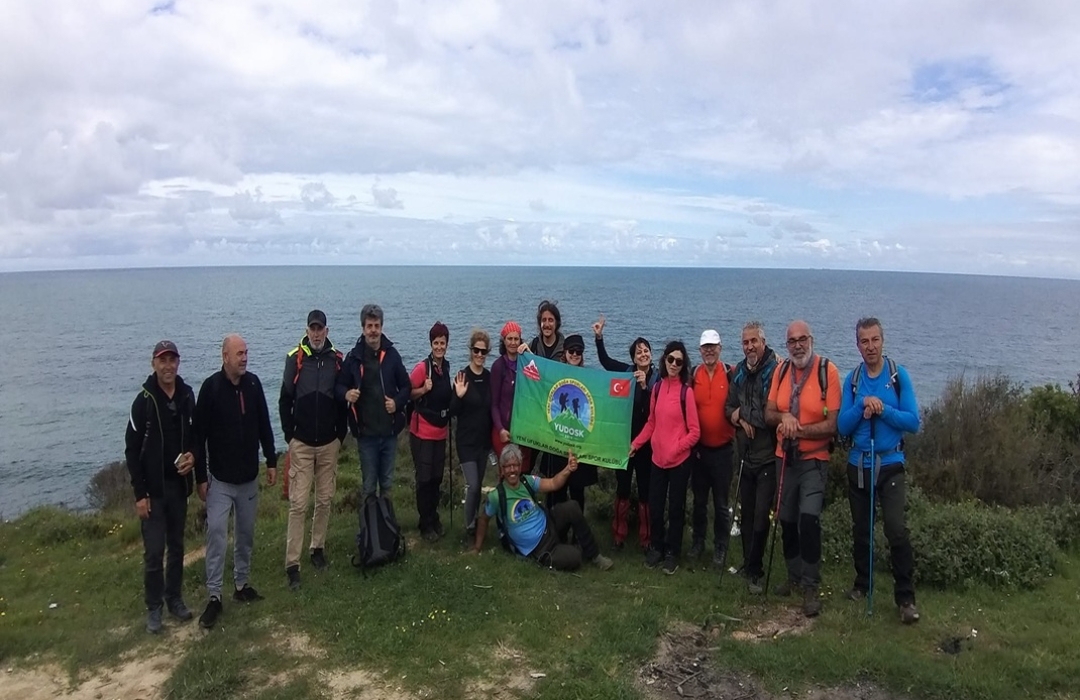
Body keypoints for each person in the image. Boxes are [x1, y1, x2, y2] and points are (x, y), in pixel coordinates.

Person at [837, 317, 922, 624]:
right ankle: (863, 584)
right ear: (857, 345)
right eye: (864, 341)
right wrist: (862, 408)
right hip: (859, 463)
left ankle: (905, 598)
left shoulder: (899, 377)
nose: (870, 347)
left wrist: (883, 410)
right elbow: (842, 426)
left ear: (882, 341)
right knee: (862, 530)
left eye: (875, 340)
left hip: (890, 463)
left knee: (895, 529)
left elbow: (913, 422)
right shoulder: (853, 379)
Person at [196, 334, 278, 629]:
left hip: (248, 480)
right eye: (239, 353)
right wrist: (200, 478)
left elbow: (264, 424)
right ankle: (214, 597)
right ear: (225, 356)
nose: (244, 358)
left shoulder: (254, 384)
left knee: (245, 535)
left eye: (246, 353)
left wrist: (271, 461)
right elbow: (198, 436)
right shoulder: (211, 388)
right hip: (220, 481)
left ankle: (241, 586)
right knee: (216, 534)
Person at [124, 340, 203, 633]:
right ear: (154, 364)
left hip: (178, 488)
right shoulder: (143, 402)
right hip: (153, 493)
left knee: (177, 548)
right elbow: (131, 451)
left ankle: (175, 600)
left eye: (172, 360)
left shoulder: (186, 396)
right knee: (154, 552)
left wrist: (193, 457)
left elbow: (196, 436)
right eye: (162, 360)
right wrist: (139, 494)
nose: (168, 366)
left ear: (178, 363)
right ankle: (154, 608)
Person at [765, 320, 840, 617]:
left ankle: (811, 585)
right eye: (792, 341)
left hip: (814, 459)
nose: (797, 345)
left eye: (802, 339)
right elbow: (769, 412)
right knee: (785, 519)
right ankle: (793, 575)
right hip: (785, 457)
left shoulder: (827, 372)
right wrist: (784, 417)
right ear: (787, 345)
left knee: (808, 519)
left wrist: (800, 430)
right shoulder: (781, 371)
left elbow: (833, 424)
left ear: (811, 339)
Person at [278, 310, 347, 591]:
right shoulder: (295, 357)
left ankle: (317, 549)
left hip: (329, 443)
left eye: (320, 329)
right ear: (307, 330)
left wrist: (340, 436)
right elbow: (284, 399)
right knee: (297, 504)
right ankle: (292, 564)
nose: (316, 334)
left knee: (325, 499)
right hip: (303, 444)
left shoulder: (337, 360)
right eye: (312, 329)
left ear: (327, 331)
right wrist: (289, 437)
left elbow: (342, 401)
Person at [473, 445, 613, 572]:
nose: (512, 470)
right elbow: (484, 519)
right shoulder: (497, 495)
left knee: (572, 506)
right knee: (575, 557)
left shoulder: (527, 481)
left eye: (515, 465)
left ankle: (595, 556)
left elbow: (553, 483)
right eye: (508, 466)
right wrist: (477, 548)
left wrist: (568, 469)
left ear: (520, 466)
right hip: (539, 548)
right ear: (502, 469)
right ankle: (563, 550)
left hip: (548, 523)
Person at [630, 341, 701, 575]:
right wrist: (636, 444)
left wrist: (677, 448)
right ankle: (656, 548)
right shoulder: (658, 389)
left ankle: (672, 553)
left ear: (683, 365)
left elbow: (695, 432)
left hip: (679, 462)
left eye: (679, 361)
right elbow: (652, 422)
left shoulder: (686, 392)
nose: (673, 364)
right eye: (670, 359)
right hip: (657, 460)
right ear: (664, 359)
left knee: (676, 509)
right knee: (656, 506)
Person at [724, 321, 779, 594]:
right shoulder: (739, 372)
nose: (749, 347)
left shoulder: (775, 371)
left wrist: (743, 416)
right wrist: (735, 415)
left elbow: (768, 416)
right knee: (745, 516)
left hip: (768, 455)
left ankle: (756, 569)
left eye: (753, 341)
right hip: (744, 454)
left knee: (760, 517)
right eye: (745, 342)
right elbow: (728, 406)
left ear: (763, 341)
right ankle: (747, 563)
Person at [593, 314, 655, 551]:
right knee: (623, 489)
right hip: (624, 444)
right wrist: (599, 337)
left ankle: (646, 538)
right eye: (638, 351)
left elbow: (655, 412)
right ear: (633, 357)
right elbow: (606, 362)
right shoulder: (627, 373)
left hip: (647, 446)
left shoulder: (658, 379)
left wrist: (644, 387)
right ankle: (619, 534)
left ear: (651, 354)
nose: (643, 354)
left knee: (646, 493)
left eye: (646, 350)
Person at [337, 304, 411, 498]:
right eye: (369, 326)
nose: (373, 331)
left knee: (386, 484)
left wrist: (396, 403)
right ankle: (370, 527)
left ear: (381, 327)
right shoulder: (353, 358)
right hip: (365, 434)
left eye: (376, 326)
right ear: (363, 328)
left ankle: (385, 526)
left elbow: (406, 387)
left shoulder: (392, 355)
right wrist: (347, 394)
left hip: (389, 432)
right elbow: (338, 386)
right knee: (369, 486)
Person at [688, 329, 736, 566]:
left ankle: (720, 546)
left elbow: (755, 374)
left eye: (713, 346)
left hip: (723, 451)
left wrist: (778, 361)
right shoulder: (693, 374)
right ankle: (698, 542)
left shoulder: (731, 373)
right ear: (700, 350)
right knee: (698, 501)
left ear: (720, 348)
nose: (709, 350)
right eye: (705, 347)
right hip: (698, 451)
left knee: (721, 502)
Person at [535, 334, 599, 512]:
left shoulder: (589, 376)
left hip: (579, 444)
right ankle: (555, 532)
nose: (575, 354)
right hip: (556, 444)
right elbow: (537, 379)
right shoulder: (554, 373)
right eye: (572, 350)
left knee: (577, 492)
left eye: (579, 351)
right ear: (565, 352)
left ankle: (577, 533)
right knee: (556, 491)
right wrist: (525, 354)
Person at [409, 321, 454, 541]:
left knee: (436, 478)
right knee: (424, 479)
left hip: (441, 432)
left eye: (442, 343)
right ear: (431, 344)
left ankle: (433, 516)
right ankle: (425, 523)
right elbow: (407, 394)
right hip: (422, 432)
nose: (439, 347)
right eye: (436, 343)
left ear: (447, 344)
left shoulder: (446, 367)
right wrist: (422, 389)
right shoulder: (422, 368)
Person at [449, 329, 494, 544]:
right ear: (471, 351)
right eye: (476, 350)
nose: (480, 354)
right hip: (466, 442)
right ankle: (468, 528)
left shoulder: (489, 377)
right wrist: (458, 396)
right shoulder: (462, 376)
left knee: (477, 488)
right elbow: (452, 411)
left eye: (483, 351)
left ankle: (475, 523)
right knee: (474, 486)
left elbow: (492, 410)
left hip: (484, 443)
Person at [490, 321, 530, 473]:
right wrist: (500, 429)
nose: (513, 343)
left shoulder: (526, 364)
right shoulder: (498, 366)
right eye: (509, 339)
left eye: (516, 339)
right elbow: (494, 404)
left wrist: (530, 354)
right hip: (504, 431)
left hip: (523, 432)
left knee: (522, 475)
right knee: (507, 474)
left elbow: (541, 382)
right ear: (504, 341)